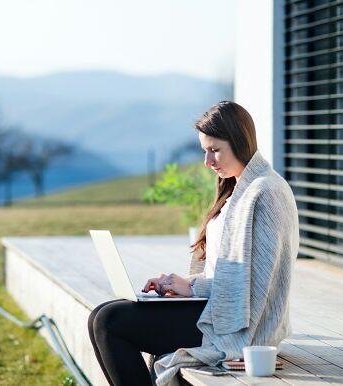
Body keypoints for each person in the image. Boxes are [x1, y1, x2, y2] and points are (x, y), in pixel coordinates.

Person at [87, 101, 300, 386]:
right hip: (220, 309)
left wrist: (191, 287)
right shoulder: (239, 189)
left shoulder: (265, 191)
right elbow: (230, 274)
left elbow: (255, 287)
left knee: (109, 321)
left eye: (215, 150)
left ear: (239, 141)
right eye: (204, 151)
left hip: (241, 325)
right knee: (100, 314)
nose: (208, 161)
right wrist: (183, 285)